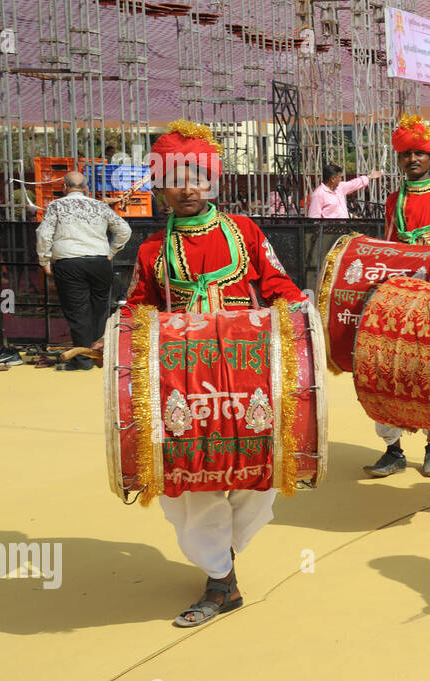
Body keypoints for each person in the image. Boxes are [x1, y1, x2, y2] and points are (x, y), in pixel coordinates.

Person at [127, 120, 304, 627]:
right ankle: (221, 580)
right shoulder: (151, 251)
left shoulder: (245, 232)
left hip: (250, 378)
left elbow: (279, 286)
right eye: (173, 177)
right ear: (160, 187)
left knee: (259, 471)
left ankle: (222, 559)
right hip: (185, 386)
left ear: (211, 180)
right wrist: (113, 334)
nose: (185, 186)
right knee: (193, 480)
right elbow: (139, 310)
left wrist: (300, 320)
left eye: (195, 175)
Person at [364, 115, 430, 479]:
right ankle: (393, 450)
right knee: (386, 369)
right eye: (406, 154)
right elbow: (390, 246)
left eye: (420, 153)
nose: (413, 160)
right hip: (403, 296)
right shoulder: (394, 199)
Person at [35, 171, 132, 370]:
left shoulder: (56, 206)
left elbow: (44, 234)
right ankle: (100, 355)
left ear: (64, 187)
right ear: (86, 188)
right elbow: (125, 230)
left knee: (78, 311)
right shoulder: (99, 206)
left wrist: (44, 260)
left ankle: (82, 359)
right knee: (100, 309)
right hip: (99, 261)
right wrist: (112, 251)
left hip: (69, 261)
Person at [306, 162, 384, 219]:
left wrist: (369, 177)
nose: (341, 179)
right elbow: (313, 219)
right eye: (339, 177)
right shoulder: (319, 194)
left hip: (344, 231)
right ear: (333, 179)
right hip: (329, 235)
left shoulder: (340, 187)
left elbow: (354, 183)